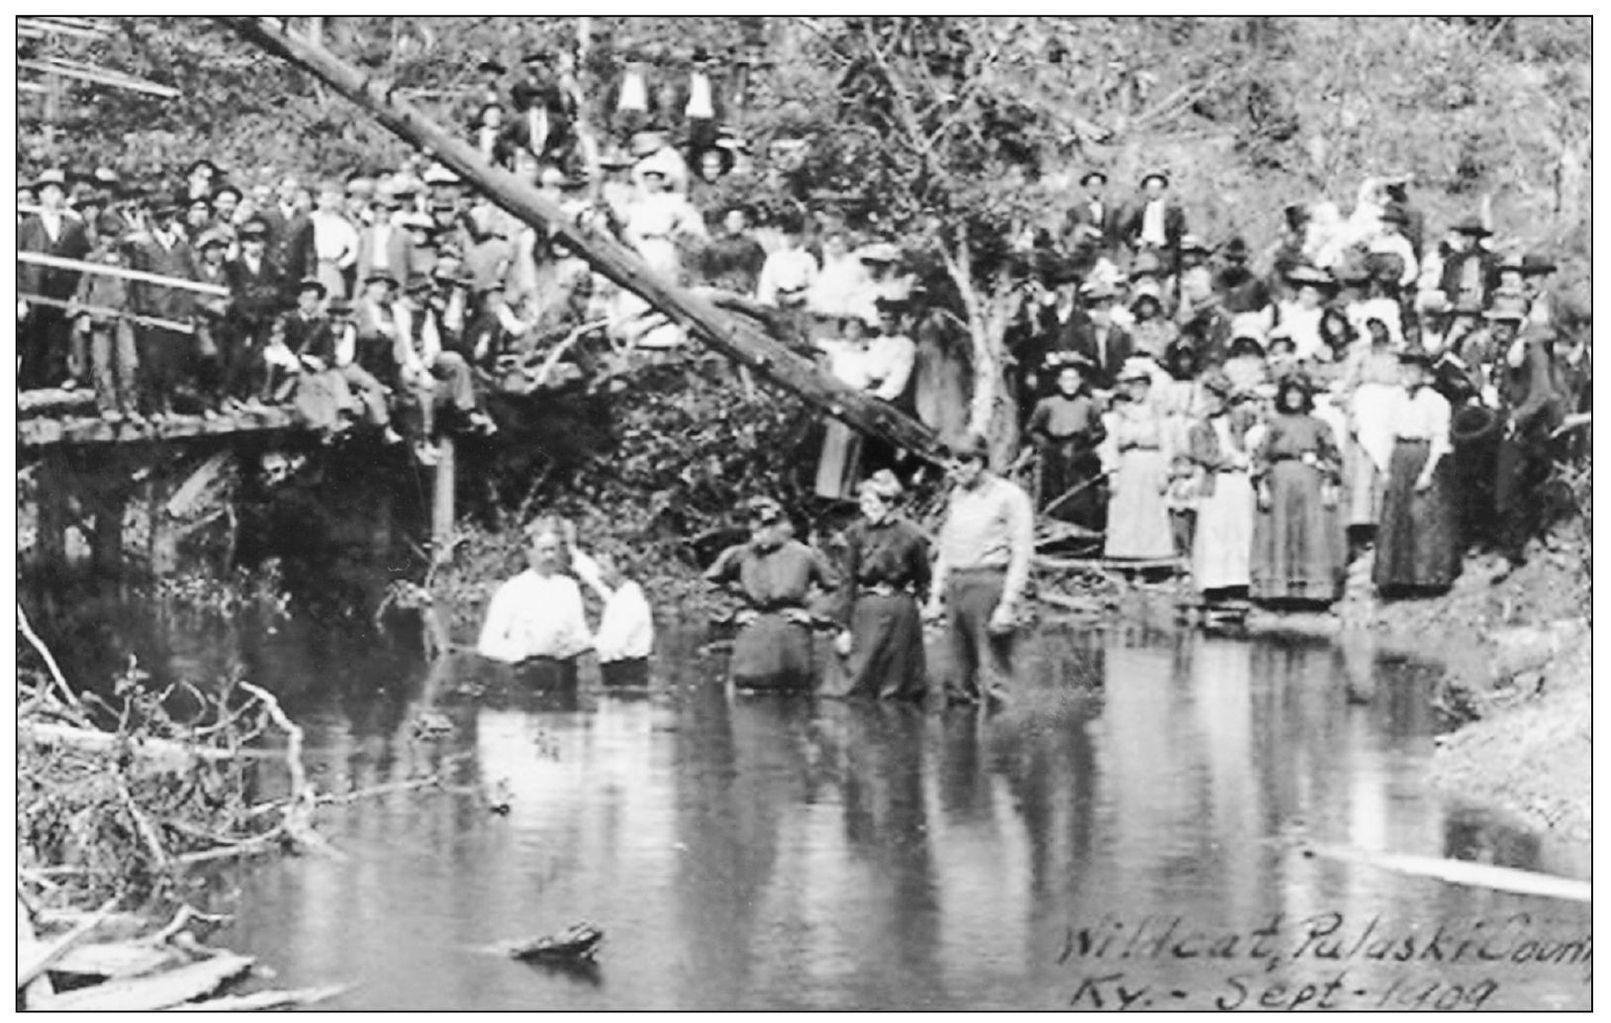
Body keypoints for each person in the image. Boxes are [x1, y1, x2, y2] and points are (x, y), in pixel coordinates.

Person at [925, 434, 1035, 707]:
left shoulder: (1010, 496)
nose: (956, 469)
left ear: (980, 462)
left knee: (995, 677)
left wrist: (1009, 603)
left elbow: (1022, 552)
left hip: (989, 585)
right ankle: (961, 744)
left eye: (964, 462)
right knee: (956, 679)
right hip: (957, 585)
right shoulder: (957, 495)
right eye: (951, 464)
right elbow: (947, 547)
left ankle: (1001, 745)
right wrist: (935, 595)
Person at [704, 497, 839, 692]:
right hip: (754, 631)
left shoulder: (804, 555)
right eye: (754, 531)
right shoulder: (740, 554)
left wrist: (813, 615)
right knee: (748, 690)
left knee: (794, 694)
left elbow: (836, 589)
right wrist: (734, 612)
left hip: (791, 636)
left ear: (780, 529)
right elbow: (708, 584)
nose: (758, 537)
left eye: (764, 530)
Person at [830, 470, 931, 701]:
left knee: (898, 678)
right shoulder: (855, 533)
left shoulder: (911, 534)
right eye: (864, 503)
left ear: (889, 503)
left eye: (872, 503)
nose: (867, 509)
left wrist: (927, 606)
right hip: (868, 607)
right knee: (859, 674)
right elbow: (847, 579)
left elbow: (923, 576)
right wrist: (843, 627)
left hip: (900, 609)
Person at [1249, 376, 1345, 605]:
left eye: (1298, 393)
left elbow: (1333, 457)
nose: (1294, 398)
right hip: (1280, 481)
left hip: (1309, 481)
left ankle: (1312, 589)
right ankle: (1278, 589)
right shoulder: (1275, 425)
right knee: (1280, 531)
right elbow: (1261, 457)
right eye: (1289, 393)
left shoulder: (1319, 425)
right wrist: (1262, 486)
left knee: (1310, 530)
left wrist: (1326, 478)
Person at [1373, 348, 1460, 595]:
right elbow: (1387, 434)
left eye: (1413, 370)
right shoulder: (1395, 399)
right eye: (1404, 369)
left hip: (1423, 457)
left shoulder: (1436, 401)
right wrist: (1385, 468)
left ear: (1425, 374)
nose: (1407, 375)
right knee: (1396, 516)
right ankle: (1396, 578)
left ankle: (1428, 578)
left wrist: (1428, 472)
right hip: (1400, 457)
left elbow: (1440, 438)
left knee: (1423, 516)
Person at [477, 520, 594, 687]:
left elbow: (581, 633)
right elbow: (487, 644)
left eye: (553, 550)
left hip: (564, 673)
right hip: (526, 674)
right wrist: (522, 651)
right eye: (544, 550)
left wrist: (575, 644)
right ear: (529, 552)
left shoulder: (569, 588)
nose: (549, 556)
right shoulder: (512, 590)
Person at [18, 168, 93, 389]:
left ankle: (54, 381)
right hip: (33, 291)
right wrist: (19, 298)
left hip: (62, 290)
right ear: (40, 195)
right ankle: (29, 384)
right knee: (33, 337)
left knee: (58, 336)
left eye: (58, 192)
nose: (54, 197)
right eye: (49, 191)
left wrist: (76, 296)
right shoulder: (26, 226)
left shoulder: (73, 227)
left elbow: (82, 263)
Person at [1187, 372, 1257, 597]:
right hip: (1216, 482)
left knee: (1240, 528)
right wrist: (1225, 461)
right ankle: (1214, 580)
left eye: (1218, 397)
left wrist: (1246, 459)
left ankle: (1239, 579)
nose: (1213, 402)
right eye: (1209, 397)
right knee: (1214, 529)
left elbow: (1256, 441)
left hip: (1239, 482)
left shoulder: (1240, 420)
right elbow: (1202, 455)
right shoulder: (1199, 428)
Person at [1102, 360, 1175, 560]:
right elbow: (1111, 445)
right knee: (1126, 511)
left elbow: (1166, 444)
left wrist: (1165, 472)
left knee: (1150, 512)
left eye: (1142, 385)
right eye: (1133, 385)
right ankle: (1124, 554)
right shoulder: (1121, 414)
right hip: (1128, 465)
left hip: (1150, 464)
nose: (1137, 390)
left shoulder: (1157, 413)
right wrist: (1112, 473)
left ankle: (1152, 556)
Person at [68, 230, 140, 422]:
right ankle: (108, 406)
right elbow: (83, 288)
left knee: (128, 363)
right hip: (99, 318)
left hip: (123, 317)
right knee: (101, 364)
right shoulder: (92, 259)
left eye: (115, 236)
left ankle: (129, 406)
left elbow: (131, 288)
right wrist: (84, 313)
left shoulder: (126, 260)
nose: (110, 241)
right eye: (107, 236)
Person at [1026, 359, 1105, 528]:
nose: (1070, 384)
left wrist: (1086, 442)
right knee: (1054, 493)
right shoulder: (1046, 404)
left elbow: (1100, 431)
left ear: (1080, 381)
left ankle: (1083, 531)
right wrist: (1047, 445)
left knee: (1081, 494)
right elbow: (1033, 429)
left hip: (1080, 453)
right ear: (1059, 382)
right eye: (1066, 379)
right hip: (1054, 453)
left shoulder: (1088, 404)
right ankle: (1052, 530)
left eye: (1074, 379)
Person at [573, 551, 655, 687]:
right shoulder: (620, 594)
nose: (600, 574)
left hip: (627, 673)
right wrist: (572, 549)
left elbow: (612, 645)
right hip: (622, 671)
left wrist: (578, 646)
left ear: (621, 567)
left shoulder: (629, 601)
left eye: (604, 568)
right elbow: (594, 578)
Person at [1125, 170, 1186, 258]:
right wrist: (1134, 242)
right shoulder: (1140, 210)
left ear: (1162, 190)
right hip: (1144, 250)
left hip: (1166, 251)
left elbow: (1181, 232)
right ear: (1146, 190)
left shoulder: (1174, 211)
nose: (1153, 191)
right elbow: (1125, 231)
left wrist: (1172, 246)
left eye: (1157, 188)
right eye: (1150, 188)